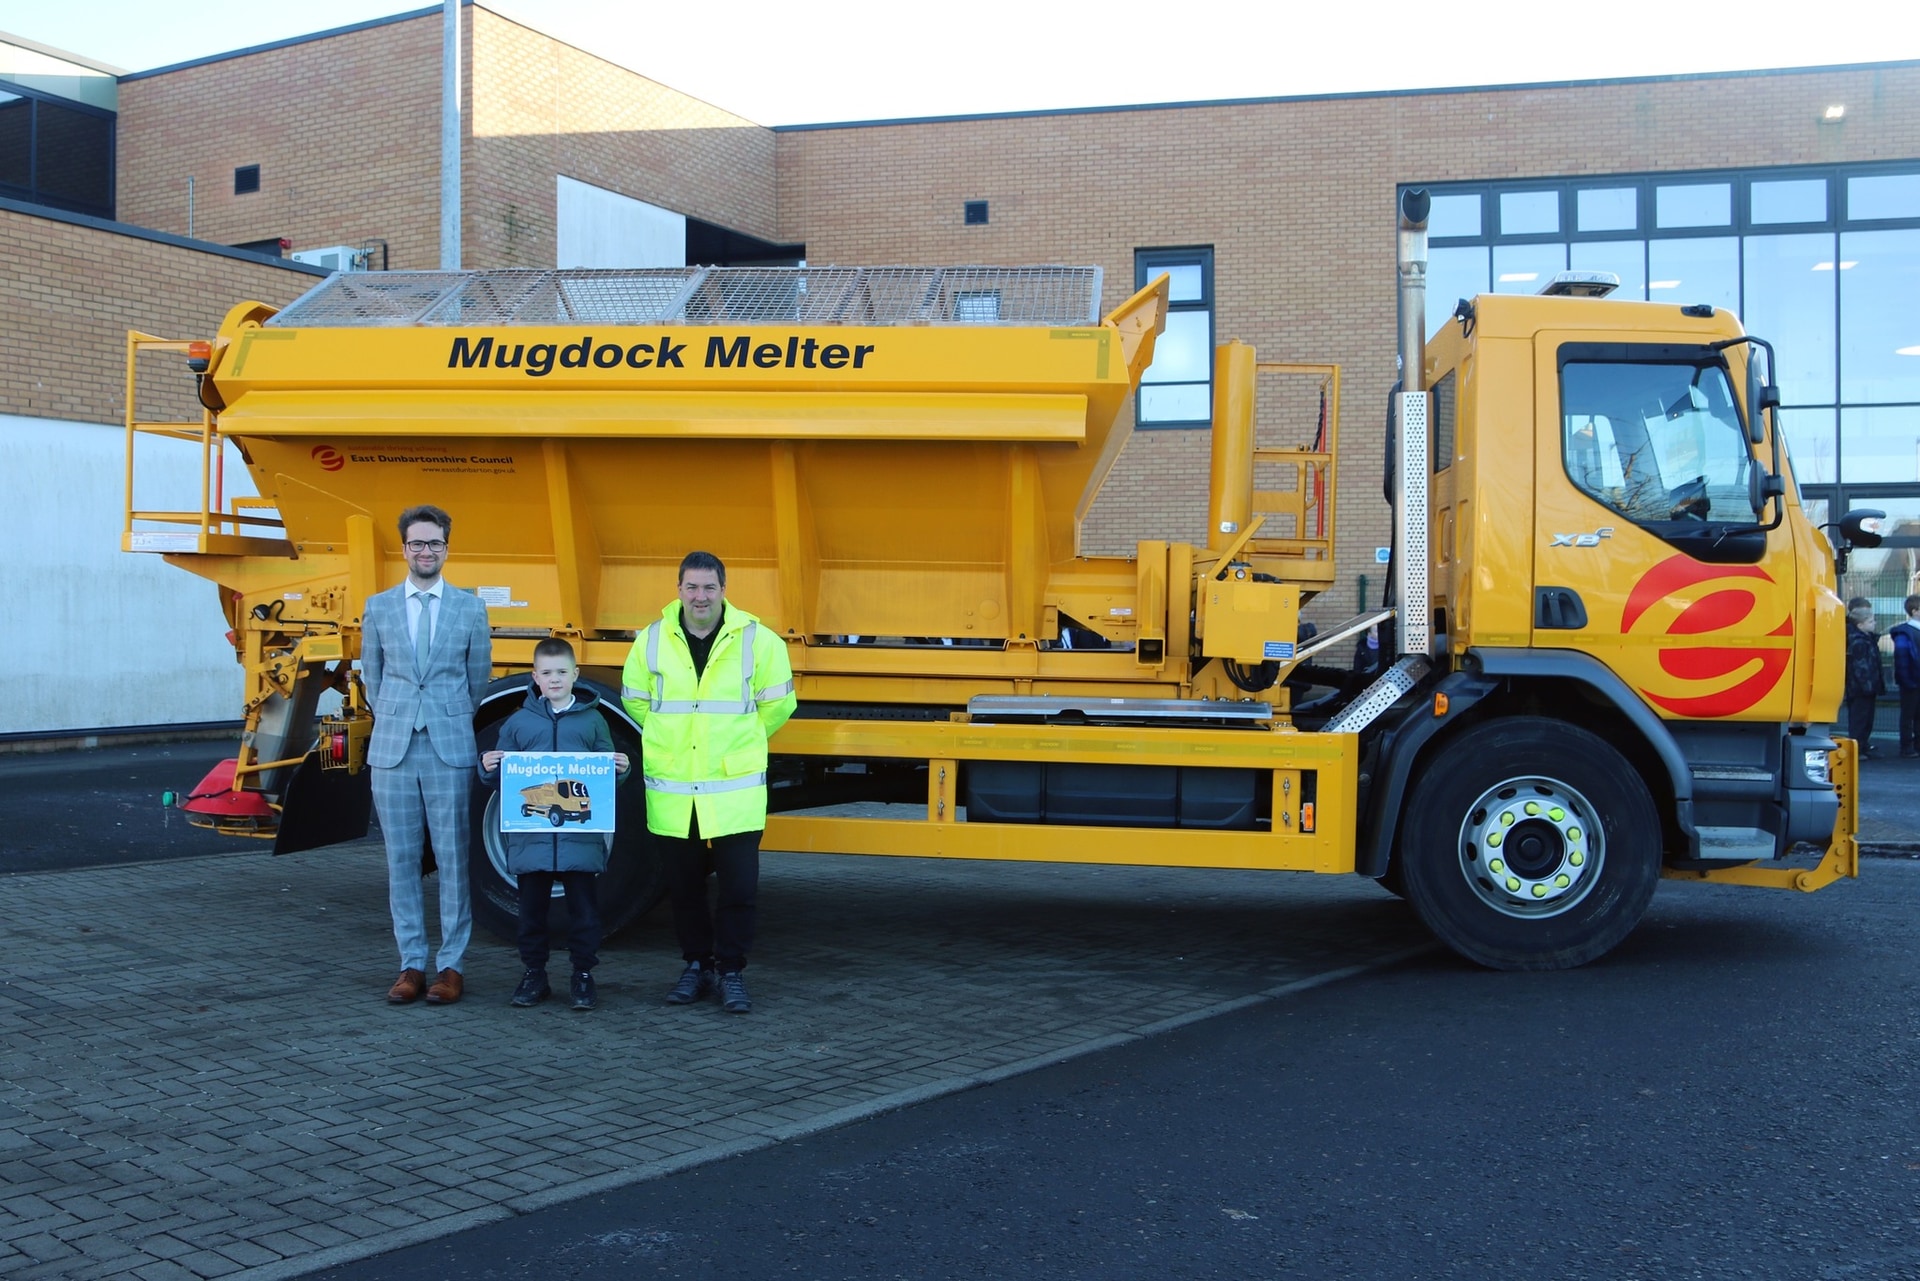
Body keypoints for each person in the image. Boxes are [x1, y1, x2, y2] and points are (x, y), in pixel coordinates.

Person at [622, 551, 796, 1013]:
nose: (701, 596)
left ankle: (731, 970)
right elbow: (636, 704)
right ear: (678, 589)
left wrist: (733, 746)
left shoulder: (760, 641)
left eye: (709, 588)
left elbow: (776, 708)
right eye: (692, 587)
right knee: (685, 891)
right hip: (675, 791)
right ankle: (697, 965)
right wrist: (674, 746)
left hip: (734, 791)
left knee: (740, 889)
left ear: (724, 589)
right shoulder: (651, 640)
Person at [361, 505, 493, 1005]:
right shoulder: (378, 607)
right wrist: (399, 713)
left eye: (434, 543)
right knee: (401, 861)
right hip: (393, 749)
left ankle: (451, 965)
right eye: (417, 543)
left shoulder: (470, 608)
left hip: (449, 745)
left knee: (455, 860)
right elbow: (372, 678)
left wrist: (445, 714)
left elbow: (475, 680)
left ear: (446, 548)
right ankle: (411, 963)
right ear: (404, 548)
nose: (425, 551)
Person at [479, 638, 630, 1010]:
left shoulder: (594, 720)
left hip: (580, 840)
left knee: (585, 913)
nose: (555, 679)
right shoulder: (518, 723)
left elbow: (602, 779)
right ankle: (534, 975)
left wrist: (621, 772)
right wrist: (487, 767)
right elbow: (502, 779)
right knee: (531, 914)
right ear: (535, 677)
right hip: (532, 841)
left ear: (576, 674)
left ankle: (582, 975)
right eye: (547, 673)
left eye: (562, 672)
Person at [1843, 597, 1884, 757]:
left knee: (1867, 719)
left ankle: (1863, 745)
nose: (1874, 623)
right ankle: (1856, 748)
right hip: (1861, 688)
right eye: (1871, 621)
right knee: (1859, 720)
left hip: (1866, 687)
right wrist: (1868, 686)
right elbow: (1860, 668)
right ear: (1860, 625)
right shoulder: (1858, 641)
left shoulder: (1866, 639)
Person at [1892, 594, 1920, 759]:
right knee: (1909, 715)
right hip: (1911, 682)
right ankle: (1907, 746)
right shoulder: (1906, 633)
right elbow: (1902, 659)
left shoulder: (1909, 632)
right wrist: (1907, 681)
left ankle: (1916, 744)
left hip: (1914, 680)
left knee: (1916, 715)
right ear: (1915, 611)